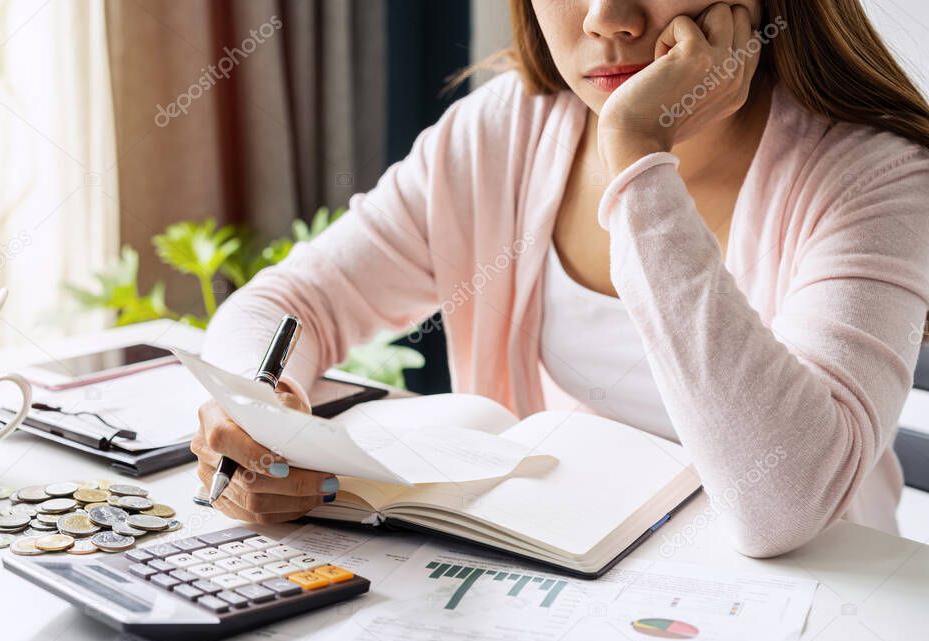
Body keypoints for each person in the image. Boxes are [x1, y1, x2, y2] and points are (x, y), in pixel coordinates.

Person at [192, 0, 929, 558]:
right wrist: (255, 413)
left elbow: (782, 504)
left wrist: (638, 158)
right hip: (576, 587)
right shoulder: (500, 135)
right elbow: (288, 303)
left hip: (813, 618)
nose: (609, 19)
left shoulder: (878, 175)